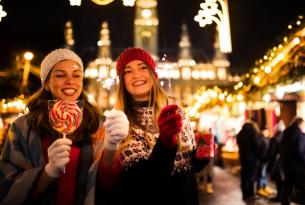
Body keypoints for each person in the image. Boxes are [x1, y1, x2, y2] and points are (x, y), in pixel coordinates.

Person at [0, 48, 129, 205]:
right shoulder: (23, 127)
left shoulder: (98, 124)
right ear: (46, 83)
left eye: (76, 75)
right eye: (60, 75)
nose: (70, 81)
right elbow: (6, 186)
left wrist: (112, 146)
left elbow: (108, 183)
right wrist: (48, 171)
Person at [103, 47, 210, 205]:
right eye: (128, 71)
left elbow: (187, 167)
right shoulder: (121, 123)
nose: (137, 74)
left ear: (153, 74)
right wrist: (165, 144)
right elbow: (145, 185)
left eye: (143, 67)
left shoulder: (178, 112)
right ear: (122, 81)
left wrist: (203, 150)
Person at [280, 117, 305, 205]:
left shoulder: (285, 134)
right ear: (299, 124)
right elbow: (301, 152)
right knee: (302, 187)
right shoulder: (300, 135)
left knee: (288, 187)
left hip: (287, 166)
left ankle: (285, 203)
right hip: (298, 168)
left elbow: (282, 149)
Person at [236, 120, 261, 202]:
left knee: (244, 175)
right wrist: (258, 155)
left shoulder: (240, 133)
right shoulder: (252, 133)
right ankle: (251, 194)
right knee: (251, 176)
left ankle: (245, 194)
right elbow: (256, 145)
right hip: (252, 158)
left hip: (243, 157)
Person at [266, 120, 285, 202]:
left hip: (276, 163)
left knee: (278, 180)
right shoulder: (286, 137)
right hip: (285, 162)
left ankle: (279, 196)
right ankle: (282, 196)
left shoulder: (274, 139)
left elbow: (271, 153)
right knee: (282, 180)